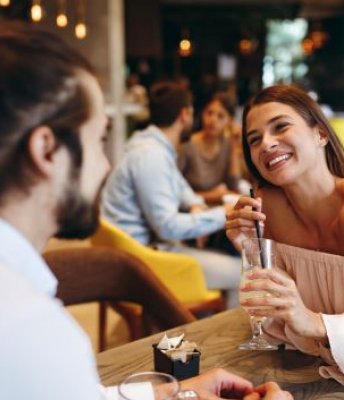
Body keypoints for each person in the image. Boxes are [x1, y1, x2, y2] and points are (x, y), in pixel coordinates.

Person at [0, 22, 291, 400]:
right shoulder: (31, 332)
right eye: (98, 140)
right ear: (47, 151)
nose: (106, 167)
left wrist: (171, 391)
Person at [225, 84, 344, 398]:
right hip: (310, 369)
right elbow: (279, 316)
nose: (266, 144)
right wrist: (248, 246)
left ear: (320, 134)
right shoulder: (269, 205)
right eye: (254, 139)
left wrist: (316, 323)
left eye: (281, 126)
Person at [101, 81, 241, 308]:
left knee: (226, 260)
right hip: (143, 260)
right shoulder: (150, 156)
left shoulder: (153, 147)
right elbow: (167, 226)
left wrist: (196, 204)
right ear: (185, 115)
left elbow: (181, 186)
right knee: (245, 271)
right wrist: (224, 213)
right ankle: (226, 338)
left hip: (139, 251)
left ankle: (201, 324)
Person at [178, 91, 241, 204]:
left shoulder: (227, 144)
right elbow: (174, 191)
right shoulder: (187, 145)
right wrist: (213, 196)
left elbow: (234, 186)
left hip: (216, 207)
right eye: (209, 113)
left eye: (220, 116)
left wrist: (233, 146)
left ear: (230, 121)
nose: (213, 120)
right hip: (191, 208)